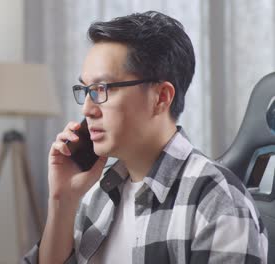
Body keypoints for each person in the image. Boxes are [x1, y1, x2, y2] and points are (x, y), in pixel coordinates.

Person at [23, 10, 268, 264]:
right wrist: (62, 200)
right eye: (85, 90)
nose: (87, 109)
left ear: (161, 97)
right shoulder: (98, 197)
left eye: (101, 89)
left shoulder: (217, 204)